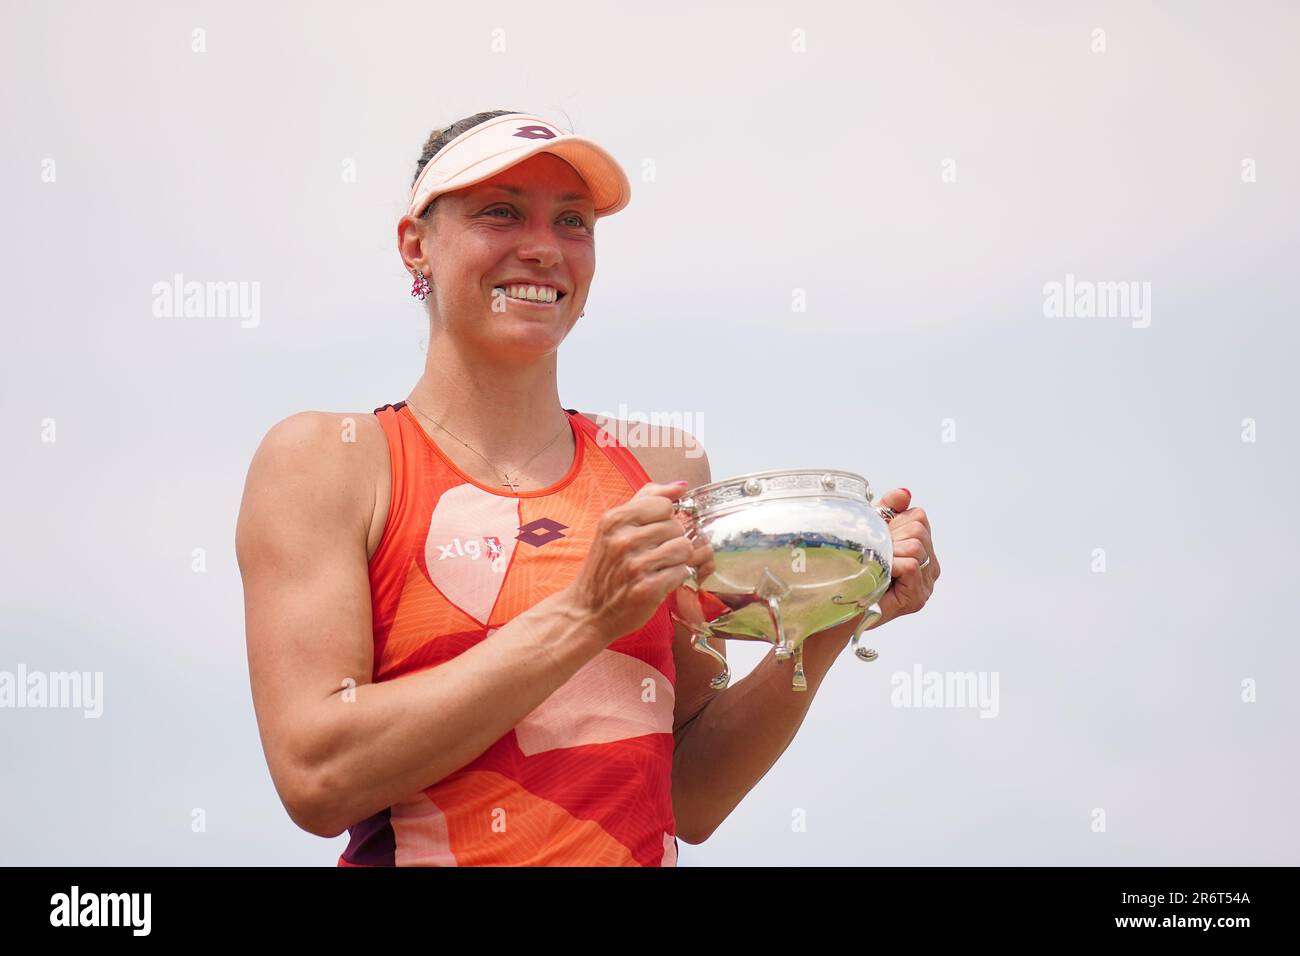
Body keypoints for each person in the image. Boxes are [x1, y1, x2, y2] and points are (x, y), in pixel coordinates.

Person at [234, 110, 941, 867]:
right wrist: (584, 615)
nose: (543, 248)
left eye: (573, 223)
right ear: (417, 246)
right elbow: (318, 777)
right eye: (499, 213)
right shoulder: (329, 461)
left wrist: (836, 609)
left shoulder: (660, 466)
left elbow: (688, 795)